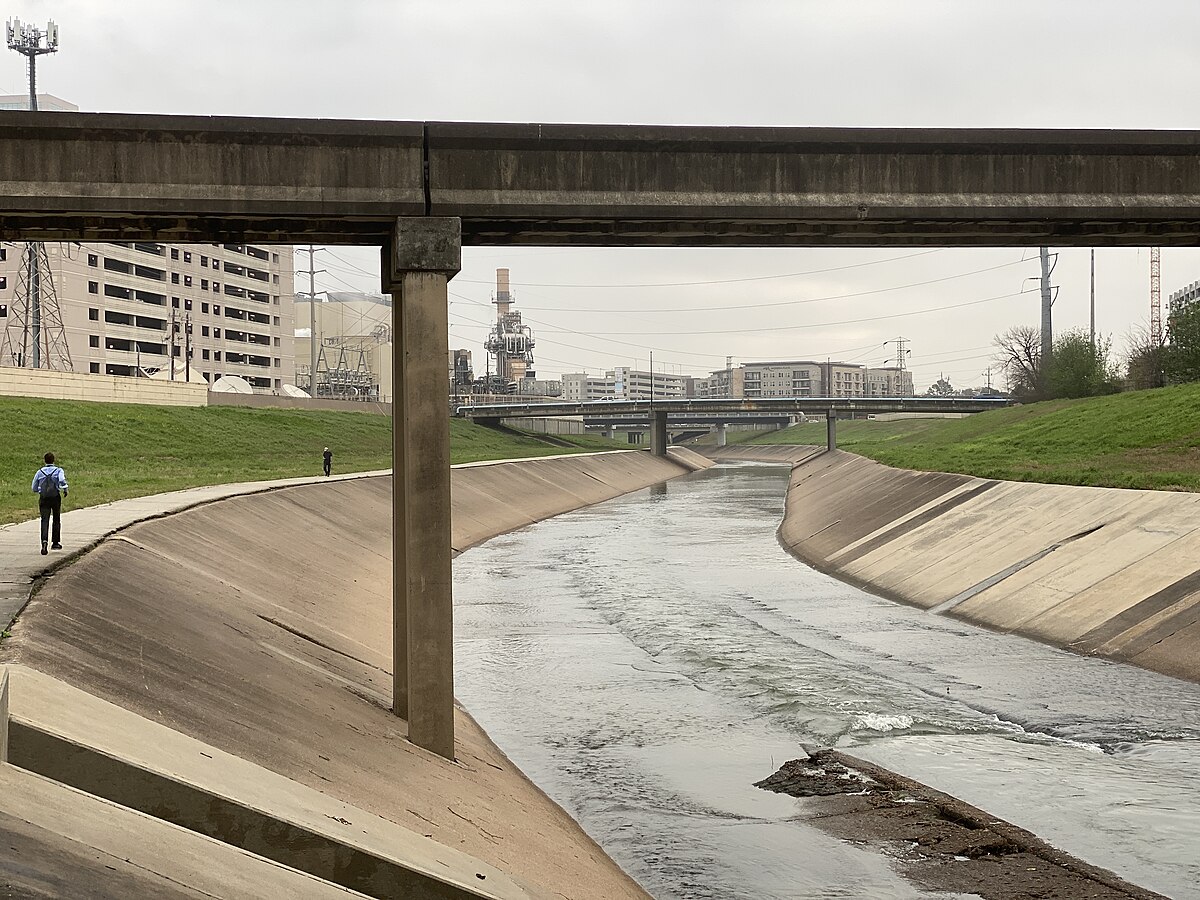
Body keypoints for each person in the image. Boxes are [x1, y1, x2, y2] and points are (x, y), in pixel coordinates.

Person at [31, 452, 68, 556]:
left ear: (45, 460)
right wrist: (65, 489)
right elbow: (61, 480)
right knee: (56, 518)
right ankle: (55, 542)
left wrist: (40, 490)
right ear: (53, 460)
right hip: (55, 497)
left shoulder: (39, 472)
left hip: (44, 498)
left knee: (44, 520)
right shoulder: (58, 470)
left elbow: (34, 487)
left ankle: (44, 542)